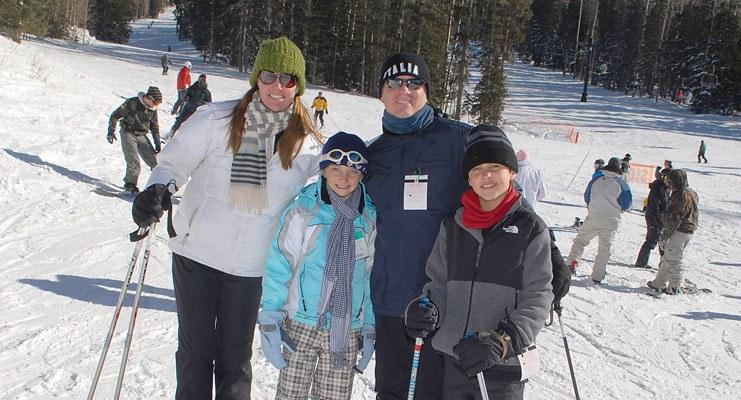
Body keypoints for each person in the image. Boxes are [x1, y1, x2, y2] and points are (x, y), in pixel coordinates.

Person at [130, 37, 321, 399]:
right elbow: (172, 164)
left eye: (288, 79)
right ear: (256, 79)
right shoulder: (215, 119)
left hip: (250, 267)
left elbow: (328, 193)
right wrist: (157, 190)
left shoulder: (308, 147)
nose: (277, 86)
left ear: (299, 85)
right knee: (195, 355)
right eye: (268, 75)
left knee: (235, 360)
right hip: (197, 254)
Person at [404, 125, 553, 400]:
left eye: (495, 166)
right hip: (455, 361)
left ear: (512, 172)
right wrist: (427, 309)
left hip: (500, 365)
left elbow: (539, 296)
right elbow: (437, 284)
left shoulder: (531, 228)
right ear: (468, 179)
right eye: (477, 168)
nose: (486, 176)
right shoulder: (453, 225)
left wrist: (503, 341)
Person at [364, 52, 470, 400]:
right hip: (390, 302)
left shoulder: (458, 140)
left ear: (427, 91)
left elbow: (503, 194)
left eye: (414, 83)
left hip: (442, 303)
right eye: (393, 83)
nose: (403, 91)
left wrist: (549, 248)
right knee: (392, 394)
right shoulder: (372, 156)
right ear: (381, 92)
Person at [259, 132, 377, 400]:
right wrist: (271, 315)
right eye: (335, 169)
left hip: (346, 329)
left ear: (362, 175)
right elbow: (281, 263)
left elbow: (371, 275)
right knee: (291, 395)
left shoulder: (368, 217)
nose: (343, 178)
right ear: (324, 170)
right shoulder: (304, 210)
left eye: (352, 171)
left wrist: (369, 324)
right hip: (301, 323)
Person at [566, 157, 633, 283]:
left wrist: (593, 206)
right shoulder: (621, 183)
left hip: (594, 216)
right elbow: (628, 204)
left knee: (581, 240)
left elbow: (587, 196)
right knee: (604, 248)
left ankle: (572, 262)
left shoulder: (596, 179)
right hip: (611, 220)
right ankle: (598, 275)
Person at [647, 169, 698, 294]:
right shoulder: (692, 192)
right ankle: (659, 283)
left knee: (673, 258)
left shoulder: (680, 195)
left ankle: (675, 285)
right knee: (667, 257)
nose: (668, 183)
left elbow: (674, 219)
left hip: (679, 230)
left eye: (670, 181)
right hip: (688, 229)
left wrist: (664, 235)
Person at [106, 86, 163, 193]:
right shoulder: (132, 103)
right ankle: (130, 184)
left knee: (155, 162)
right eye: (155, 103)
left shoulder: (152, 110)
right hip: (128, 132)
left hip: (141, 134)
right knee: (134, 161)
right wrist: (111, 130)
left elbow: (154, 126)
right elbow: (115, 115)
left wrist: (157, 142)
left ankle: (158, 184)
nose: (155, 106)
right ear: (150, 98)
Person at [635, 168, 670, 268]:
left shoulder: (666, 188)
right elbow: (655, 205)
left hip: (660, 218)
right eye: (667, 178)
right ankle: (641, 262)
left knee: (663, 242)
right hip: (654, 217)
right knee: (651, 240)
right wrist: (658, 220)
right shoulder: (659, 188)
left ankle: (662, 265)